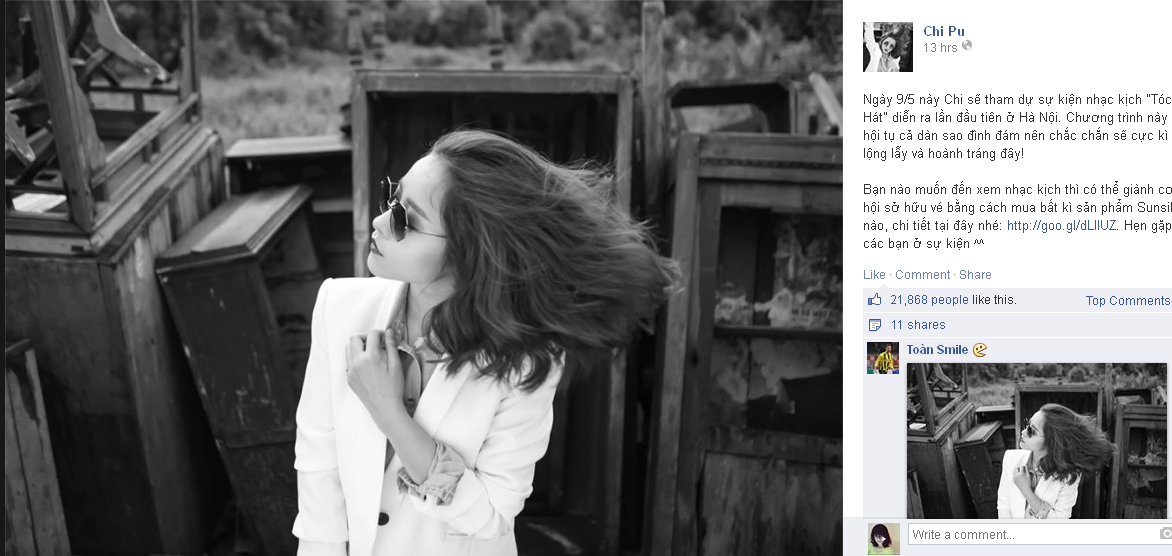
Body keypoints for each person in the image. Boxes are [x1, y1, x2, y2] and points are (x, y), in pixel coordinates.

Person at [292, 129, 680, 556]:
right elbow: (317, 472)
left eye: (405, 220)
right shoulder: (338, 307)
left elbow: (493, 514)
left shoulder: (526, 360)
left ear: (468, 254)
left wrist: (392, 417)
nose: (380, 221)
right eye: (392, 198)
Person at [997, 403, 1115, 519]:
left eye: (1032, 431)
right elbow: (1004, 511)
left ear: (1051, 442)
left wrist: (1026, 490)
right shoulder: (1010, 458)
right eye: (1027, 424)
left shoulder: (1069, 476)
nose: (1023, 432)